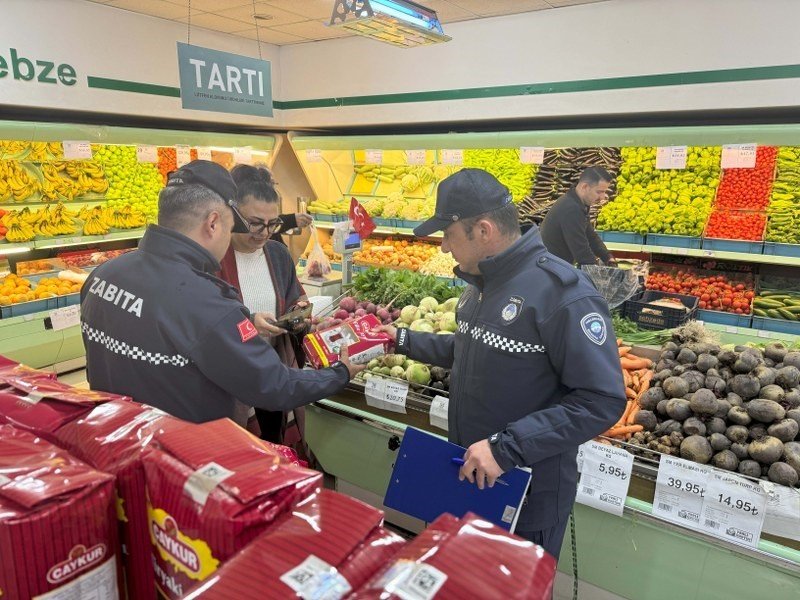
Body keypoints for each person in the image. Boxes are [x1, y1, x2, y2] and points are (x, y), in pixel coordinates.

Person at [374, 169, 626, 561]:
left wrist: (507, 448)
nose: (443, 248)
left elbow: (602, 400)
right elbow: (473, 349)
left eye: (449, 235)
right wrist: (399, 339)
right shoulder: (482, 285)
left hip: (525, 494)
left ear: (484, 231)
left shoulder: (563, 294)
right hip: (472, 478)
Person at [80, 160, 363, 423]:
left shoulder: (102, 276)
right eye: (230, 228)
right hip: (182, 457)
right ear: (213, 223)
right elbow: (273, 385)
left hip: (116, 441)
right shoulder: (207, 303)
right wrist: (339, 373)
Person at [220, 164, 310, 442]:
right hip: (229, 370)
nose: (264, 232)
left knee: (273, 437)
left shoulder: (278, 253)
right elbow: (206, 317)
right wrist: (247, 324)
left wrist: (299, 312)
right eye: (255, 223)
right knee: (236, 440)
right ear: (233, 213)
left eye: (272, 224)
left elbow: (295, 294)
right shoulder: (215, 258)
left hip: (272, 364)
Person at [540, 166, 616, 266]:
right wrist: (597, 271)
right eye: (599, 192)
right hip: (551, 270)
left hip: (558, 265)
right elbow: (581, 252)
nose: (602, 197)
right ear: (584, 187)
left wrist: (607, 256)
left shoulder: (579, 203)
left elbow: (590, 235)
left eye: (604, 192)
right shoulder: (571, 209)